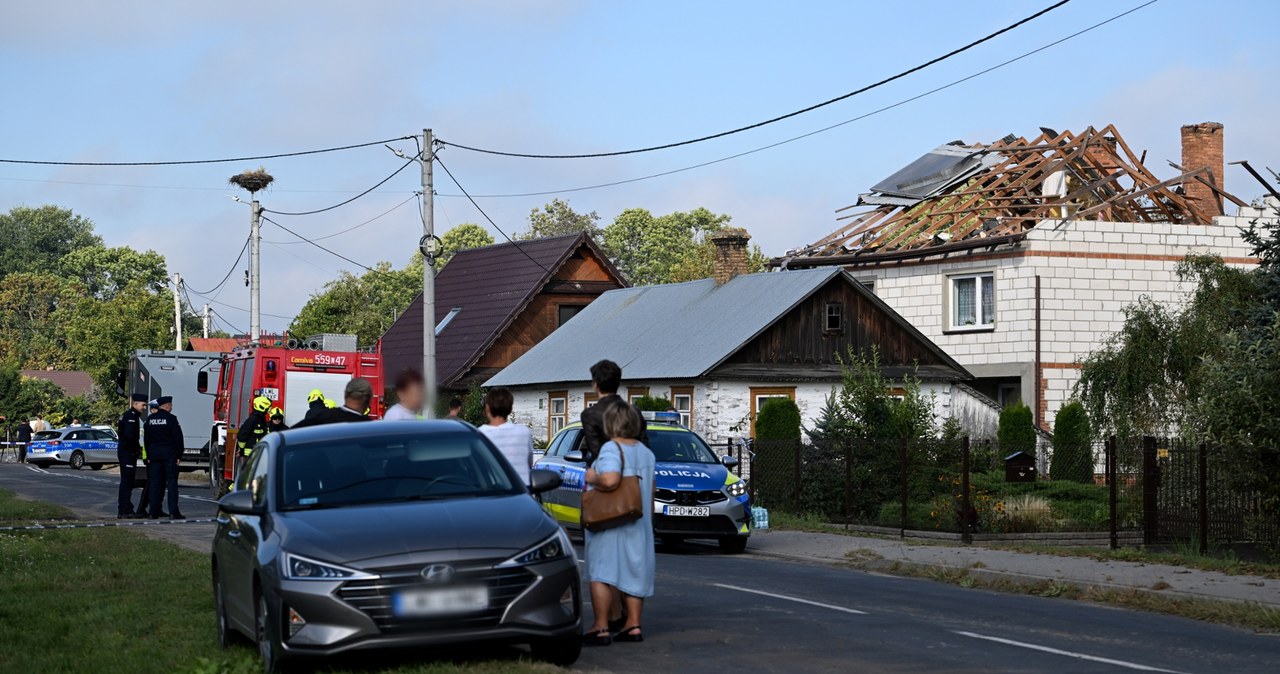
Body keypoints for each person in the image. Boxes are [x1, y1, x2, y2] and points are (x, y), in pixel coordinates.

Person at [581, 400, 655, 646]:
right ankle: (633, 625)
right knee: (635, 572)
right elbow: (651, 490)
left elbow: (611, 480)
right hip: (638, 521)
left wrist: (593, 476)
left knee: (601, 572)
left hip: (609, 522)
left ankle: (601, 626)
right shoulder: (647, 453)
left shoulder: (611, 448)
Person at [580, 360, 647, 465]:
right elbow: (644, 445)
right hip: (635, 471)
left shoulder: (590, 414)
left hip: (604, 472)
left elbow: (596, 450)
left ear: (595, 385)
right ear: (618, 383)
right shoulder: (634, 411)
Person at [478, 387, 533, 485]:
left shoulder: (480, 434)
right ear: (511, 408)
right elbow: (529, 463)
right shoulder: (524, 432)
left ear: (487, 408)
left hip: (491, 492)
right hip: (522, 493)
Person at [143, 396, 184, 520]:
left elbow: (146, 440)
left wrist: (149, 455)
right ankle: (173, 512)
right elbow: (178, 439)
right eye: (170, 405)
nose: (171, 408)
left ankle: (153, 512)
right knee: (171, 483)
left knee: (155, 484)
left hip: (154, 456)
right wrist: (179, 455)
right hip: (169, 456)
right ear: (166, 406)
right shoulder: (171, 419)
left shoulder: (150, 420)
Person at [291, 378, 375, 428]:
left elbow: (289, 435)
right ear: (368, 401)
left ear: (345, 395)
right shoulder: (369, 428)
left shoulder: (322, 417)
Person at [116, 394, 147, 519]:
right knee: (127, 483)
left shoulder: (130, 415)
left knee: (128, 482)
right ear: (135, 404)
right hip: (127, 453)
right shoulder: (131, 417)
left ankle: (126, 508)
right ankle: (124, 510)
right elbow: (129, 436)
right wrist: (135, 449)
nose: (144, 407)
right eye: (143, 405)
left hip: (127, 452)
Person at [236, 396, 272, 474]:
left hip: (257, 451)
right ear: (262, 406)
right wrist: (241, 450)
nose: (269, 409)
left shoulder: (261, 419)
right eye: (268, 407)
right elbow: (242, 435)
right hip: (250, 452)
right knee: (248, 473)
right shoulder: (253, 419)